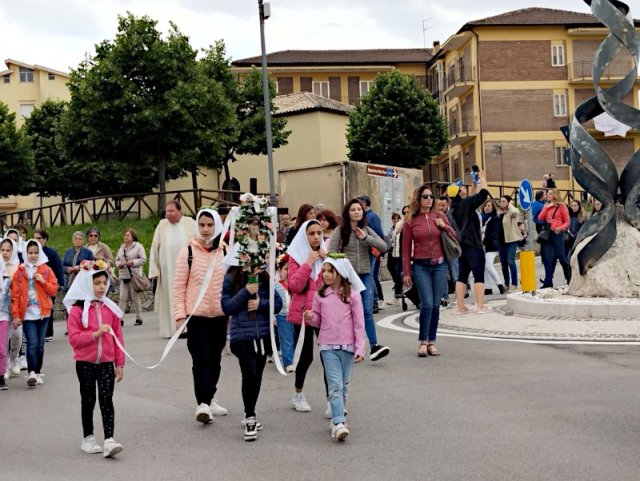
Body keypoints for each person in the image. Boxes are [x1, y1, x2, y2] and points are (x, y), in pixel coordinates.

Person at [172, 208, 229, 424]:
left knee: (215, 360)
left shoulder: (224, 251)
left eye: (210, 225)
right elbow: (178, 286)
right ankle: (202, 403)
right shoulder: (187, 252)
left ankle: (210, 397)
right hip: (195, 316)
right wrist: (179, 315)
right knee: (200, 359)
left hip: (219, 316)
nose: (206, 229)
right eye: (202, 225)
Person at [64, 262, 125, 458]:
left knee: (107, 399)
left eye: (104, 283)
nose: (101, 287)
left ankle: (109, 439)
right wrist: (95, 333)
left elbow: (118, 337)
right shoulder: (77, 310)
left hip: (107, 362)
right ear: (85, 283)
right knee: (88, 399)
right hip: (85, 363)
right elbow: (74, 339)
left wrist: (120, 363)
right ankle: (88, 438)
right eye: (97, 283)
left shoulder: (110, 308)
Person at [306, 256, 365, 441]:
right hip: (327, 347)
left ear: (340, 273)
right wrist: (310, 317)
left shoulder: (353, 296)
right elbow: (317, 319)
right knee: (335, 385)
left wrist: (360, 348)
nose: (325, 275)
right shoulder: (320, 295)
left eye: (330, 271)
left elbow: (359, 324)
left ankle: (337, 417)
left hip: (347, 348)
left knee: (344, 386)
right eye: (324, 271)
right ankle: (339, 421)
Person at [221, 266, 282, 442]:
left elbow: (278, 303)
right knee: (249, 373)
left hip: (262, 335)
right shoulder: (231, 277)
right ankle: (250, 417)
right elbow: (226, 307)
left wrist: (261, 304)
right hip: (242, 337)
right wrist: (245, 292)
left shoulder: (265, 277)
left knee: (257, 376)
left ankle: (251, 409)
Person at [328, 199, 390, 361]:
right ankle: (347, 346)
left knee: (367, 311)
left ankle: (374, 346)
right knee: (346, 313)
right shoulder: (340, 231)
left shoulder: (366, 230)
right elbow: (331, 254)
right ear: (347, 213)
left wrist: (366, 239)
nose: (357, 212)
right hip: (346, 278)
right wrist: (343, 266)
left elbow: (384, 246)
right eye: (353, 209)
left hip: (365, 275)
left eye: (359, 209)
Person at [402, 186, 456, 357]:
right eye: (425, 196)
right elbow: (405, 249)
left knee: (435, 304)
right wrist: (407, 272)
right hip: (420, 266)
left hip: (440, 265)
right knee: (426, 304)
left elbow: (455, 235)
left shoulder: (440, 216)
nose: (429, 199)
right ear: (418, 199)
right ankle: (423, 342)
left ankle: (432, 341)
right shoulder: (410, 220)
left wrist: (444, 226)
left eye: (431, 196)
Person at [286, 220, 326, 412]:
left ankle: (332, 400)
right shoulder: (295, 256)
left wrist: (330, 261)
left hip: (326, 313)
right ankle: (298, 393)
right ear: (304, 236)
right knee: (306, 356)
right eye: (312, 233)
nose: (316, 237)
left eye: (319, 233)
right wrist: (308, 263)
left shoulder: (327, 255)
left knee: (329, 356)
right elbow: (295, 286)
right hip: (304, 313)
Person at [11, 239, 59, 388]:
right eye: (30, 253)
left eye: (36, 252)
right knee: (31, 343)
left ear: (40, 253)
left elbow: (53, 290)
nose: (33, 255)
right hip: (28, 314)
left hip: (43, 313)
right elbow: (15, 296)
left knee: (40, 345)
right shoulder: (19, 272)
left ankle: (37, 372)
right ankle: (31, 373)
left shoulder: (46, 270)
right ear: (25, 253)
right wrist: (16, 315)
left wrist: (43, 282)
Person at [149, 200, 196, 339]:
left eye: (171, 211)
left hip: (189, 268)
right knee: (170, 298)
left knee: (188, 296)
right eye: (167, 211)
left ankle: (189, 327)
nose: (168, 214)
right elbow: (154, 247)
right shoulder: (162, 225)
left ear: (179, 211)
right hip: (168, 270)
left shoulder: (190, 223)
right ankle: (172, 329)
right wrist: (155, 269)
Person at [449, 169, 491, 314]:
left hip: (462, 246)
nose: (463, 189)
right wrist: (483, 179)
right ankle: (480, 306)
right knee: (478, 274)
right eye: (461, 188)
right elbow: (483, 195)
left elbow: (470, 199)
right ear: (459, 193)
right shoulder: (465, 205)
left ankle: (460, 307)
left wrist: (474, 183)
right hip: (474, 244)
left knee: (462, 275)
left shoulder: (454, 208)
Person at [33, 229, 65, 341]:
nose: (36, 240)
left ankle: (48, 333)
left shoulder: (51, 253)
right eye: (34, 238)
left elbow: (59, 268)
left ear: (45, 239)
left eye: (39, 238)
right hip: (35, 286)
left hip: (49, 285)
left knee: (48, 308)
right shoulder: (30, 253)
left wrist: (60, 283)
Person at [538, 189, 571, 288]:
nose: (548, 195)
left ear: (555, 195)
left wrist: (560, 228)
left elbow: (567, 221)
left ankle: (569, 278)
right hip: (548, 235)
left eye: (550, 193)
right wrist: (546, 208)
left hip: (557, 234)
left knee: (561, 258)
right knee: (548, 259)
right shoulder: (546, 206)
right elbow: (540, 218)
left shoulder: (562, 206)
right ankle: (548, 282)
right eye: (547, 193)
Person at [358, 195, 386, 312]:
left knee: (370, 276)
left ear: (365, 203)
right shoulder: (365, 217)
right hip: (364, 251)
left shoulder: (372, 217)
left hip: (371, 251)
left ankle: (374, 301)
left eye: (359, 204)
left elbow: (379, 235)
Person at [116, 229, 147, 326]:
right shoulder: (122, 247)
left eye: (128, 235)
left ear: (133, 237)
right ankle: (120, 319)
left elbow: (143, 259)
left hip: (134, 275)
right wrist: (119, 264)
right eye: (125, 235)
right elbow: (116, 259)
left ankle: (139, 317)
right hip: (124, 275)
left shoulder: (138, 246)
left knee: (135, 297)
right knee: (122, 298)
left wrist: (133, 262)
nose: (125, 237)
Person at [1, 238, 21, 379]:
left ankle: (14, 358)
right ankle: (4, 366)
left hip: (14, 307)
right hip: (2, 309)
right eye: (2, 250)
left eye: (8, 250)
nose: (5, 253)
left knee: (17, 336)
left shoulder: (19, 268)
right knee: (3, 340)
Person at [497, 195, 523, 292]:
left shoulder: (511, 212)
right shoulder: (499, 213)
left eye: (504, 201)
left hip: (511, 240)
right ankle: (506, 283)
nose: (501, 203)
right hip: (501, 241)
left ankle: (514, 284)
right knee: (503, 263)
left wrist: (511, 205)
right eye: (500, 201)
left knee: (510, 261)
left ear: (508, 202)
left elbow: (517, 211)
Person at [274, 253, 295, 372]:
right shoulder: (275, 285)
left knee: (294, 337)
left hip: (295, 315)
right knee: (286, 338)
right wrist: (273, 317)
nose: (288, 272)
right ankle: (288, 362)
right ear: (280, 270)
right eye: (286, 269)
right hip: (282, 315)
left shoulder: (295, 283)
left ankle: (293, 358)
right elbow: (272, 302)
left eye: (291, 269)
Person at [480, 199, 505, 295]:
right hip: (482, 245)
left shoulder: (495, 218)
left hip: (492, 245)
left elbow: (493, 233)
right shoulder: (481, 217)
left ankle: (500, 285)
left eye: (489, 205)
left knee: (487, 264)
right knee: (484, 266)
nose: (487, 207)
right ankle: (488, 288)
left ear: (493, 207)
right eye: (485, 205)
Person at [386, 212, 403, 305]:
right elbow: (388, 240)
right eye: (394, 219)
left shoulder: (401, 228)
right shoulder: (391, 229)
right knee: (391, 268)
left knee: (397, 273)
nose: (395, 220)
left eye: (397, 218)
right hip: (391, 252)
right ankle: (397, 283)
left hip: (398, 253)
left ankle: (397, 296)